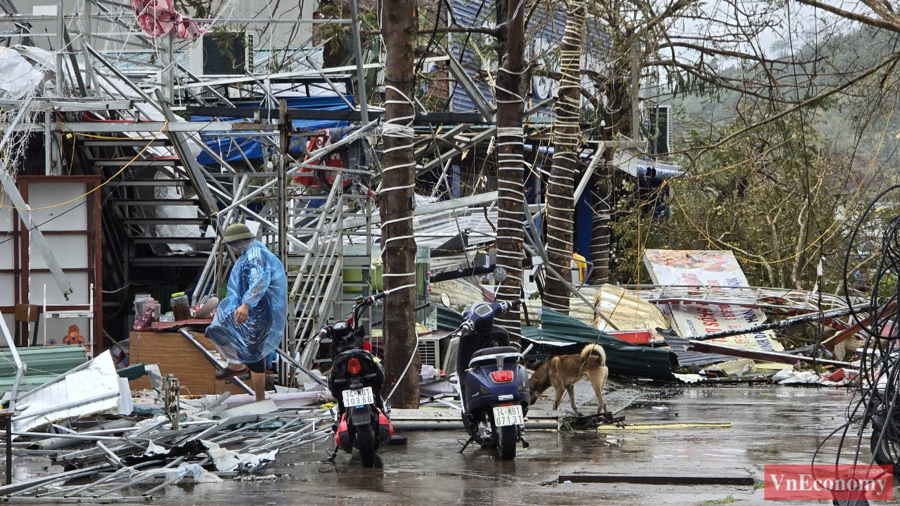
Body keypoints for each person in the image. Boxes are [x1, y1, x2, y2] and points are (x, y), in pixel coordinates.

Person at [206, 223, 287, 402]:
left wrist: (247, 304)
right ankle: (236, 364)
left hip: (259, 313)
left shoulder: (256, 255)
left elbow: (259, 281)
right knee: (215, 330)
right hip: (246, 310)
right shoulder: (247, 255)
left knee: (254, 355)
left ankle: (259, 399)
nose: (232, 249)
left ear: (238, 243)